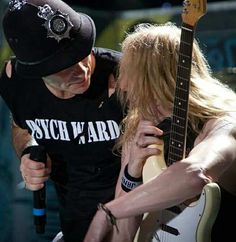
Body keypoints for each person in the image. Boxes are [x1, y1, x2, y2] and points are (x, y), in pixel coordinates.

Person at [84, 23, 236, 242]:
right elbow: (123, 237)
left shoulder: (223, 120)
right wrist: (132, 172)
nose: (123, 85)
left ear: (154, 78)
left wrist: (106, 213)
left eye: (128, 73)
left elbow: (195, 174)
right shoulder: (139, 126)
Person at [0, 0, 124, 241]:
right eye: (63, 65)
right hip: (73, 216)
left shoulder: (126, 76)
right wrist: (27, 151)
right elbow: (21, 125)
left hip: (138, 214)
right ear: (35, 71)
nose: (81, 69)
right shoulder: (16, 84)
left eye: (82, 52)